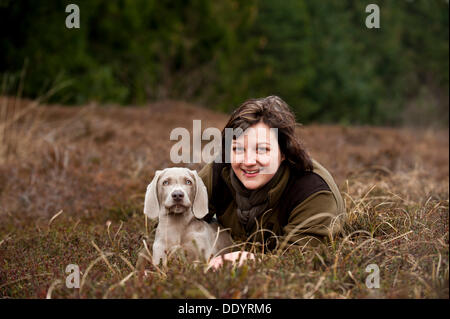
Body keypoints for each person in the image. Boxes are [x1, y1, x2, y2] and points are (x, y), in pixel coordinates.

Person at [198, 96, 345, 268]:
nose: (249, 161)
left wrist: (252, 261)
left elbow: (301, 259)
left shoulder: (313, 192)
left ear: (284, 152)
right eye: (238, 149)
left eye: (262, 149)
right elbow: (165, 220)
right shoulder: (218, 171)